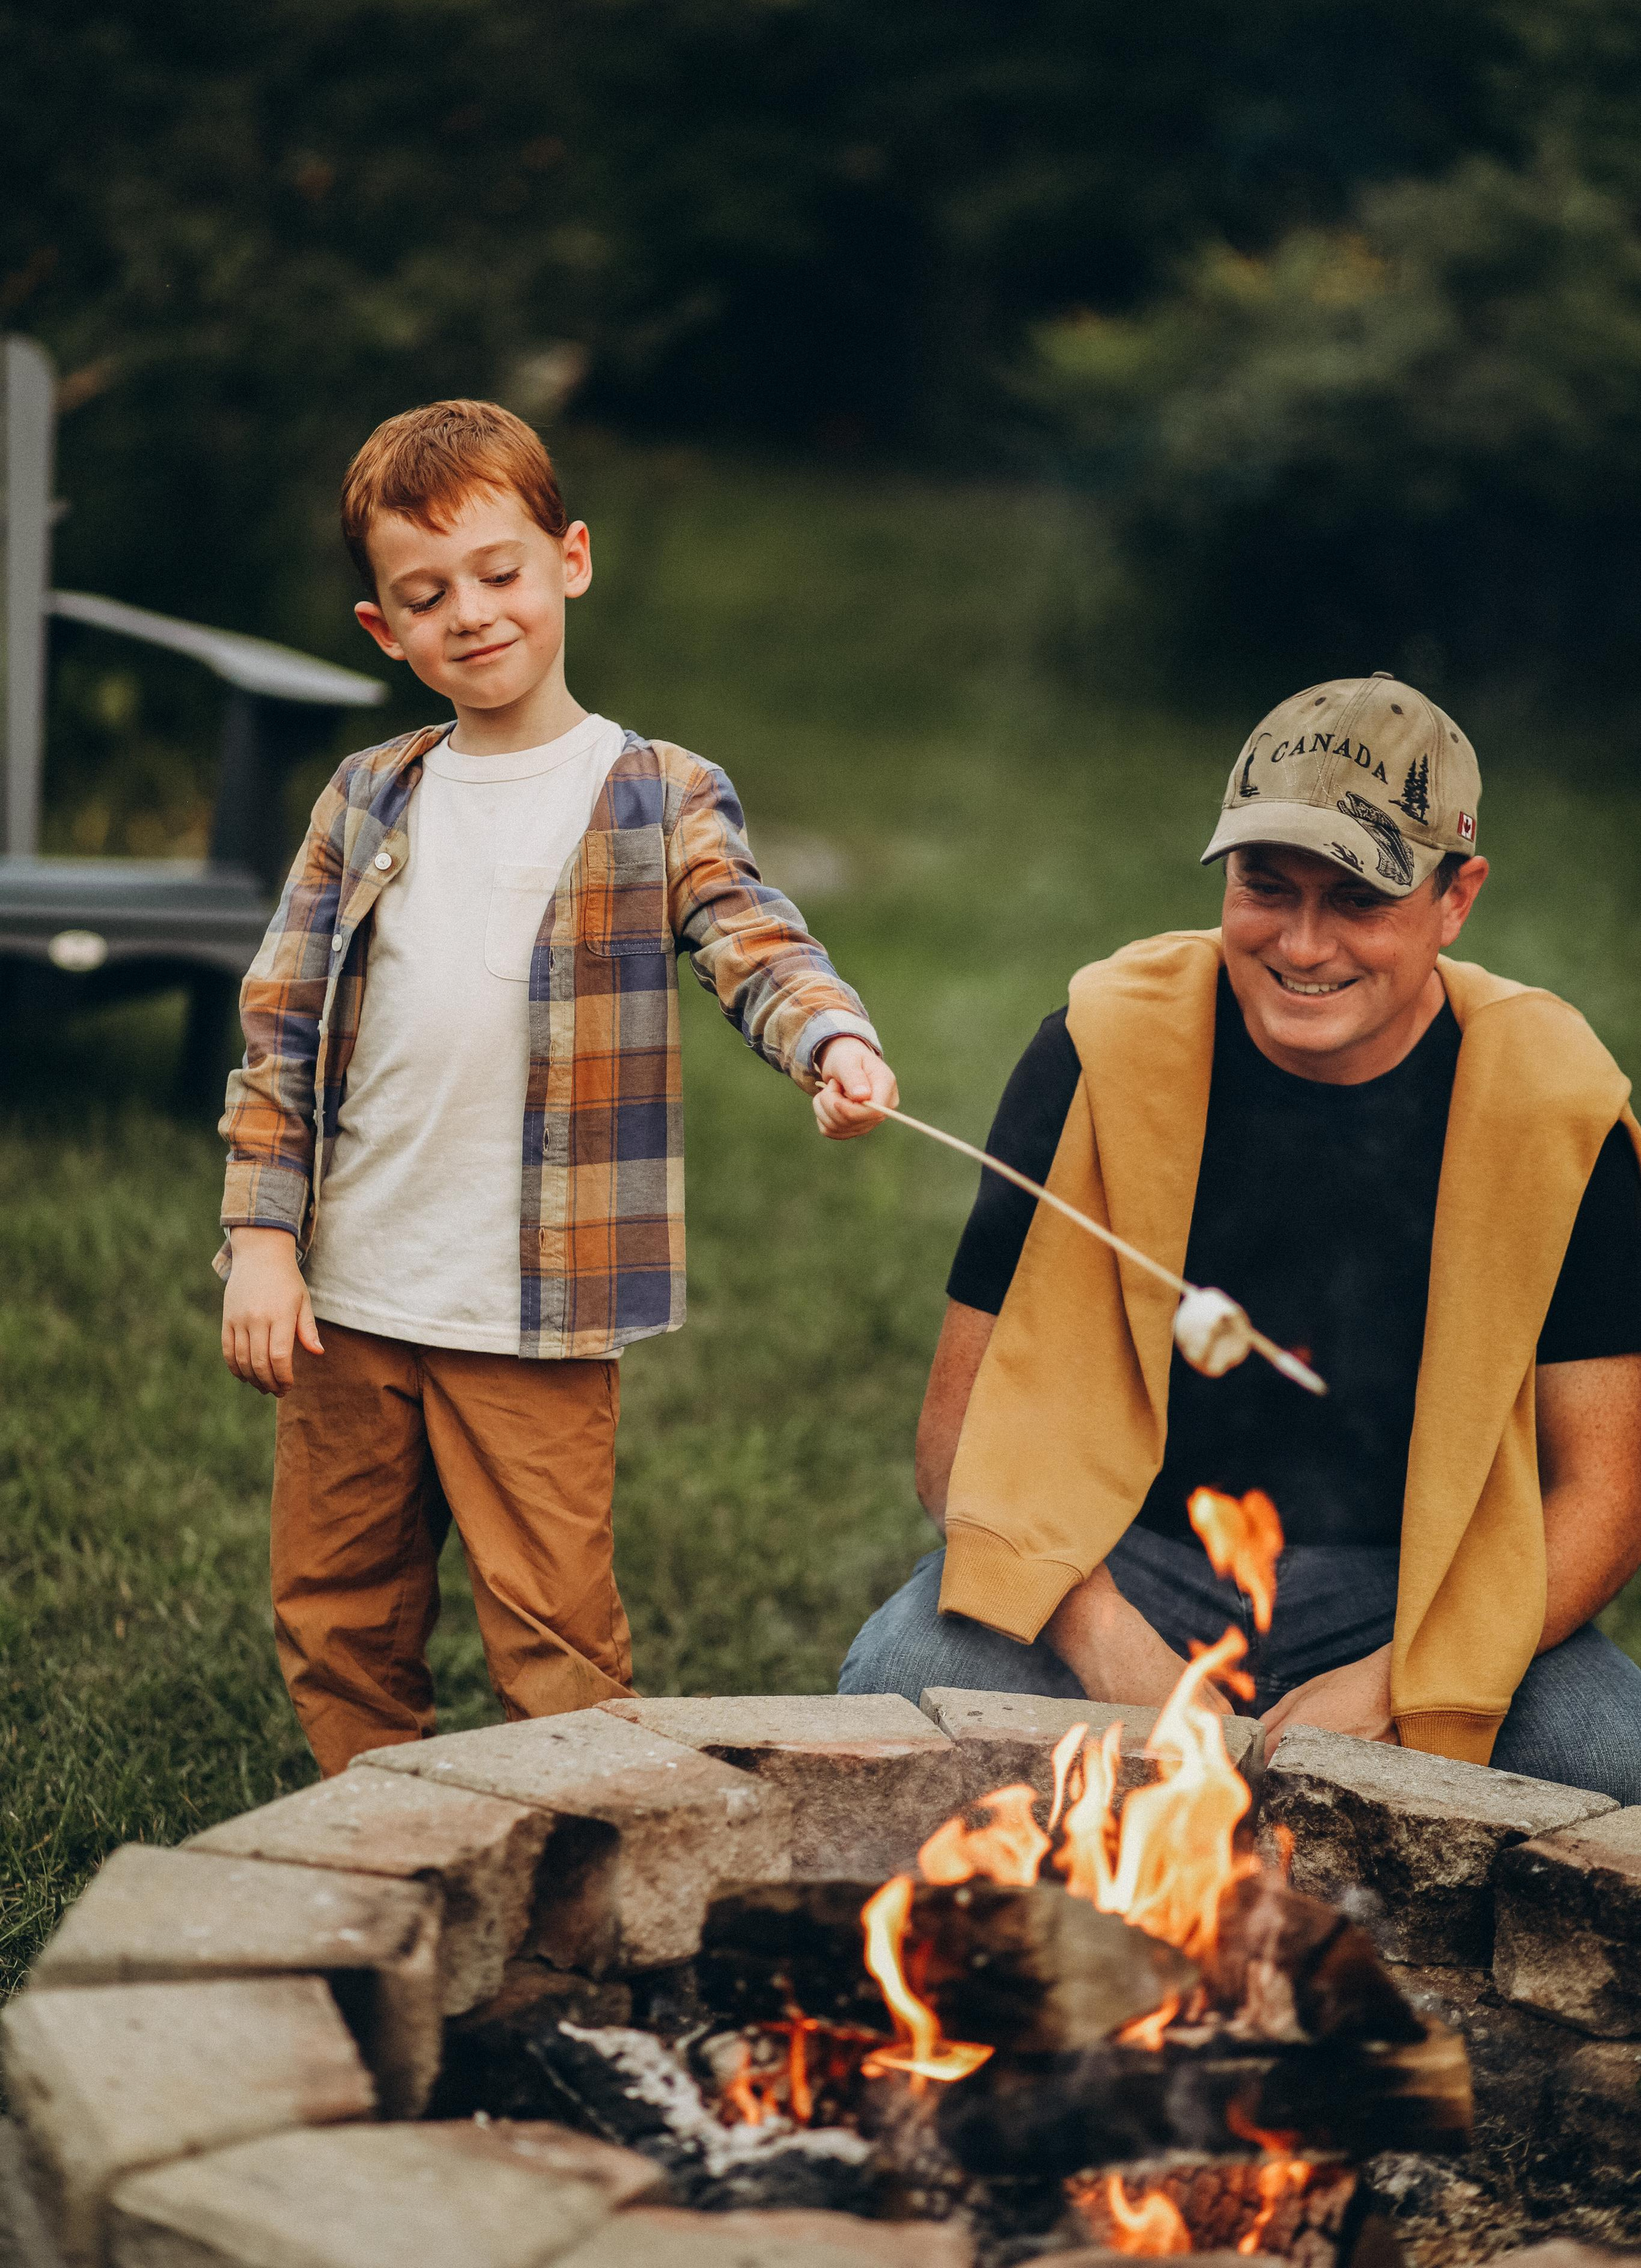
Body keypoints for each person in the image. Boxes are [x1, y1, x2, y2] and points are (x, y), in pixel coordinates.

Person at [219, 398, 896, 1776]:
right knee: (338, 1608)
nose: (470, 613)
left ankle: (579, 1851)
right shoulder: (367, 798)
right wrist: (260, 1242)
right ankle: (370, 1830)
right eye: (427, 595)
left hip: (536, 1306)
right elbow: (279, 1024)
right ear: (383, 631)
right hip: (351, 1291)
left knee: (555, 1632)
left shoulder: (653, 791)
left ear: (568, 561)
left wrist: (828, 1037)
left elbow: (748, 934)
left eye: (499, 572)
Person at [840, 672, 1641, 1803]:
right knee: (906, 1681)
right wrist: (1105, 1636)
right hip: (1116, 1557)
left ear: (1457, 899)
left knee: (1612, 1763)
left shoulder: (1554, 1106)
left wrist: (1401, 1681)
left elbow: (1606, 1499)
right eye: (1267, 888)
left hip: (1426, 1588)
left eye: (1359, 900)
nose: (1303, 947)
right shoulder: (1098, 1049)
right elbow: (956, 1433)